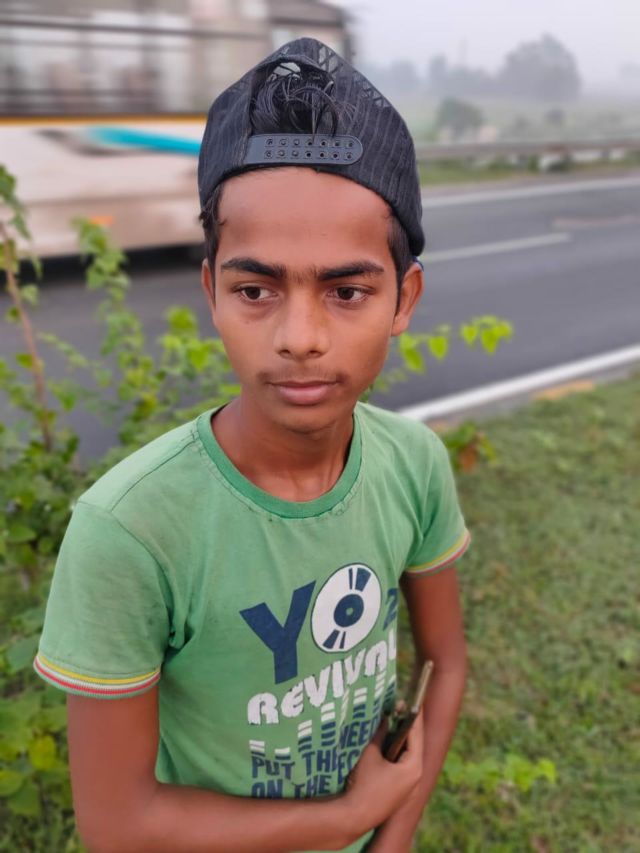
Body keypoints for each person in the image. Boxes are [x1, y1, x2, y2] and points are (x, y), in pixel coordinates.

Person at [33, 38, 471, 853]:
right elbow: (117, 823)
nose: (299, 337)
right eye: (256, 289)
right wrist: (346, 817)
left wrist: (392, 838)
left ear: (404, 298)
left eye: (347, 290)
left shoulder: (413, 464)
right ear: (211, 291)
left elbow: (444, 663)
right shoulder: (130, 531)